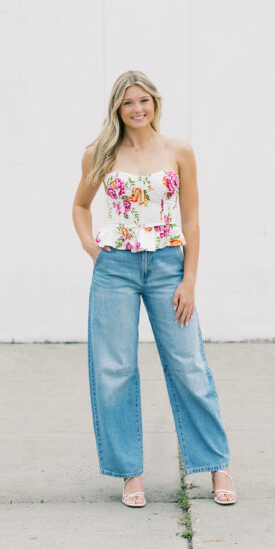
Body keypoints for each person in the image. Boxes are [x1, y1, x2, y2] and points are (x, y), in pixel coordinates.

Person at [72, 69, 237, 508]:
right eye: (128, 103)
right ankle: (131, 474)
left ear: (155, 103)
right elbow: (80, 206)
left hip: (168, 266)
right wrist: (95, 252)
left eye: (143, 100)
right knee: (115, 370)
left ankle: (217, 464)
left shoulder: (178, 151)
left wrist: (190, 279)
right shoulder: (100, 154)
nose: (137, 109)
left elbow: (192, 219)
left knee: (189, 365)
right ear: (117, 109)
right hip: (116, 269)